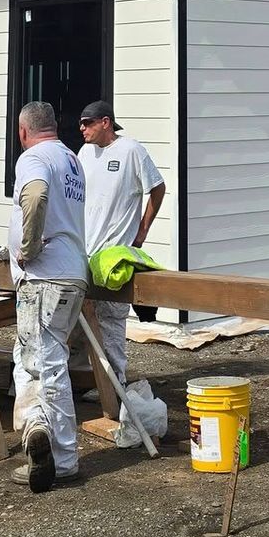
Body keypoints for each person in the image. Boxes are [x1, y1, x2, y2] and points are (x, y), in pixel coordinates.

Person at [6, 101, 89, 492]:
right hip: (73, 273)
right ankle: (45, 437)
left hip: (45, 277)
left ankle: (57, 452)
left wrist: (29, 246)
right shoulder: (71, 159)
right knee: (47, 361)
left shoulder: (34, 157)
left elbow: (36, 196)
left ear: (24, 131)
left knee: (41, 365)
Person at [77, 100, 165, 391]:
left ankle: (116, 386)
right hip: (84, 251)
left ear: (105, 122)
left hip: (114, 253)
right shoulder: (84, 153)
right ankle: (90, 380)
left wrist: (142, 231)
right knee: (80, 320)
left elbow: (158, 187)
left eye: (87, 122)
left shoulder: (131, 150)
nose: (82, 128)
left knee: (111, 322)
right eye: (81, 123)